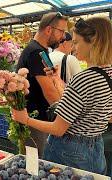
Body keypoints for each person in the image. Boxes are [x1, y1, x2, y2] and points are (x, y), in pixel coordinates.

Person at [12, 16, 112, 174]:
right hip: (96, 149)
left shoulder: (83, 79)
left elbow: (58, 129)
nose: (73, 46)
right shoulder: (107, 74)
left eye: (77, 41)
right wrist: (57, 80)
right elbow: (88, 107)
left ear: (93, 41)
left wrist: (25, 119)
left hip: (70, 153)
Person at [16, 12, 68, 156]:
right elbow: (49, 91)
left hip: (38, 120)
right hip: (35, 122)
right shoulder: (35, 52)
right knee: (35, 166)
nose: (63, 37)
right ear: (49, 29)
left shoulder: (41, 51)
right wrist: (64, 117)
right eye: (61, 31)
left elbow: (53, 81)